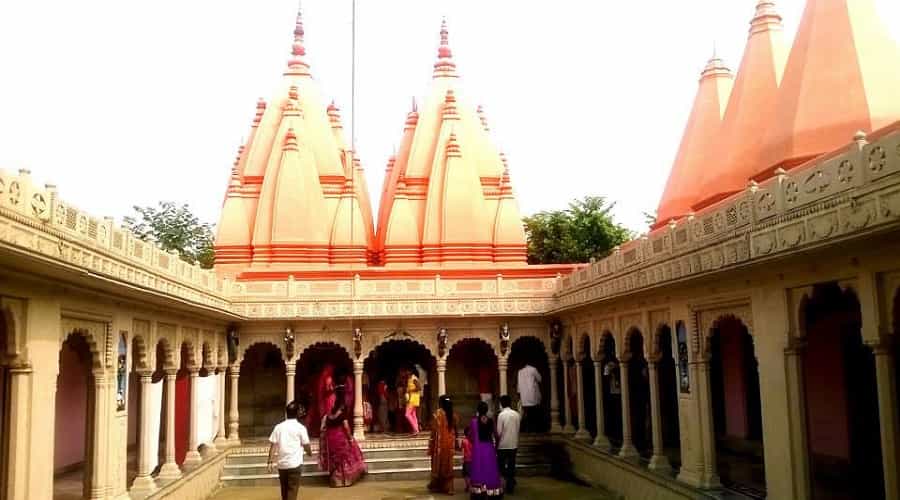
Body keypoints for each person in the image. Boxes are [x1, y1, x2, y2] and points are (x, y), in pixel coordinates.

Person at [318, 386, 367, 487]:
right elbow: (346, 427)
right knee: (346, 458)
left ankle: (336, 482)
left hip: (330, 441)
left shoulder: (329, 415)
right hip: (341, 440)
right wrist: (350, 438)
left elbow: (323, 428)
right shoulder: (342, 413)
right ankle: (346, 481)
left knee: (335, 461)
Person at [267, 401, 312, 500]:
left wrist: (270, 461)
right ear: (297, 413)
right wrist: (309, 453)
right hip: (294, 464)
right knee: (292, 491)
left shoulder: (278, 427)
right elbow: (306, 444)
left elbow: (273, 445)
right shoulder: (300, 428)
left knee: (284, 491)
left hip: (282, 465)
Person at [469, 400, 504, 498]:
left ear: (478, 410)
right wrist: (496, 446)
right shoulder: (491, 420)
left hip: (478, 449)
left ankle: (479, 491)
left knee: (479, 469)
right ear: (487, 410)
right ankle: (492, 491)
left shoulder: (474, 421)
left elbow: (471, 436)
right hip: (489, 448)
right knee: (490, 469)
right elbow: (496, 435)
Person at [427, 395, 458, 495]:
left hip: (439, 444)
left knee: (438, 465)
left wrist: (431, 443)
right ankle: (449, 488)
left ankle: (437, 486)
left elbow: (433, 429)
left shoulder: (438, 414)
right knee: (448, 465)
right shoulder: (453, 414)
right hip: (449, 444)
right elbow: (455, 429)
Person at [496, 395, 521, 494]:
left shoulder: (501, 415)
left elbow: (499, 432)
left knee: (501, 466)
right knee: (511, 465)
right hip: (513, 444)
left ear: (501, 404)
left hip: (503, 445)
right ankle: (510, 483)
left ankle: (510, 480)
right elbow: (518, 429)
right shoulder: (516, 414)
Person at [516, 362, 542, 433]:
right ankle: (533, 429)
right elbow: (540, 379)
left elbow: (518, 386)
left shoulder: (520, 371)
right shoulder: (533, 369)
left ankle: (527, 429)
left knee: (527, 413)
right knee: (533, 413)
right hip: (532, 396)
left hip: (524, 396)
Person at [406, 366, 422, 434]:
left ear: (410, 371)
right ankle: (416, 429)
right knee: (413, 414)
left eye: (407, 371)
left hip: (414, 398)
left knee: (407, 414)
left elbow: (419, 388)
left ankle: (415, 429)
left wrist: (410, 390)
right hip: (411, 397)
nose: (406, 372)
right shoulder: (409, 378)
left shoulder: (414, 378)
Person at [462, 425, 474, 493]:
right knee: (469, 473)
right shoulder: (474, 441)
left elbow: (462, 450)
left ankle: (468, 486)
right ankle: (470, 485)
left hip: (467, 460)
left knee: (466, 474)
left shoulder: (464, 441)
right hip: (472, 459)